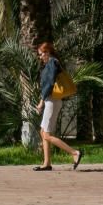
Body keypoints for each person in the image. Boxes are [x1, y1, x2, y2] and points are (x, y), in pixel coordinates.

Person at [35, 42, 83, 171]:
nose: (40, 57)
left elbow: (49, 84)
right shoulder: (50, 64)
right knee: (43, 132)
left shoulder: (52, 62)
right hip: (51, 100)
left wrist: (41, 102)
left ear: (47, 52)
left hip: (52, 101)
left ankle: (75, 153)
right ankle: (47, 163)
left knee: (46, 134)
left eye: (41, 54)